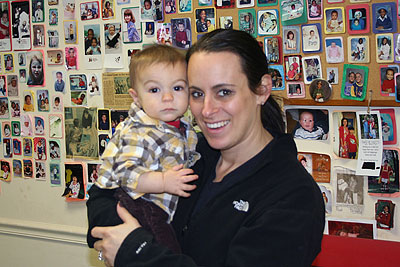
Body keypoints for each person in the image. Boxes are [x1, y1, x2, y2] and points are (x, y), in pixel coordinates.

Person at [87, 29, 324, 267]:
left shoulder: (294, 196)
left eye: (224, 92)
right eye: (197, 94)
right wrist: (117, 237)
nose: (207, 110)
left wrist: (134, 250)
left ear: (262, 89)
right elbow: (102, 194)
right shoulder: (190, 150)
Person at [94, 45, 200, 253]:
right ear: (136, 97)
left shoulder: (184, 127)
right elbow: (126, 174)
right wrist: (163, 181)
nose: (168, 97)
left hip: (160, 206)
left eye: (177, 88)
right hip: (139, 203)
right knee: (165, 252)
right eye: (154, 90)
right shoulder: (139, 131)